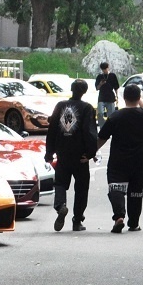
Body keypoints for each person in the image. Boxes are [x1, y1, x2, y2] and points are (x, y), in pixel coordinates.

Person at [96, 83, 143, 233]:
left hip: (119, 159)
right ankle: (134, 223)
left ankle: (119, 217)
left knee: (115, 187)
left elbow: (102, 137)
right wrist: (139, 99)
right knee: (136, 192)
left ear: (123, 97)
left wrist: (90, 153)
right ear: (139, 97)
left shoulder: (115, 116)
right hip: (141, 160)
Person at [44, 79, 99, 231]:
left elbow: (52, 130)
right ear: (85, 92)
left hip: (62, 153)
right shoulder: (86, 108)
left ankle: (61, 206)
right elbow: (89, 132)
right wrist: (90, 153)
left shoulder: (60, 106)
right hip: (80, 156)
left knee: (60, 183)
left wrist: (49, 153)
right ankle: (77, 220)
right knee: (81, 188)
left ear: (72, 89)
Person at [95, 62, 120, 127]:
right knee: (100, 113)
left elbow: (116, 87)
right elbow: (97, 88)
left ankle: (110, 128)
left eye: (105, 69)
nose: (105, 70)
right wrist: (100, 84)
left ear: (108, 68)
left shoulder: (112, 75)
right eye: (103, 69)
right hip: (101, 97)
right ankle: (102, 128)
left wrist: (117, 96)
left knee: (111, 115)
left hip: (110, 97)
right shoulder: (99, 76)